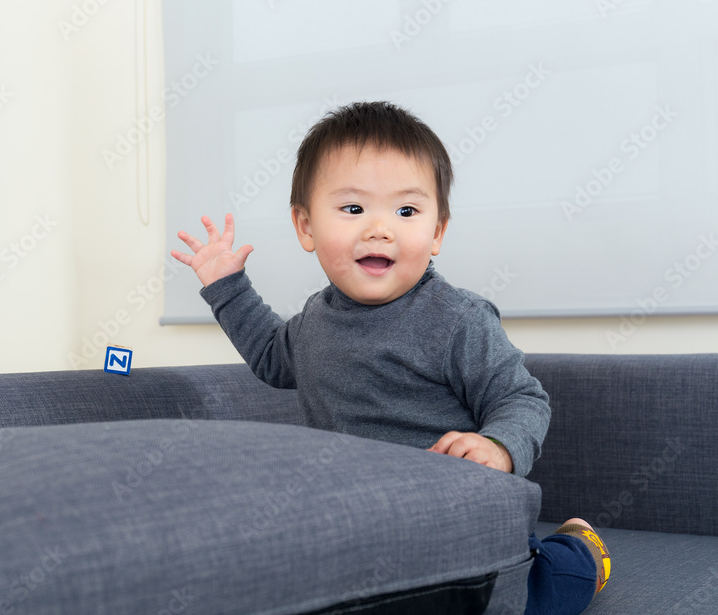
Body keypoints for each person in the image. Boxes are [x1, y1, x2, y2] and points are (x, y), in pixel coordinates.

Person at [171, 101, 610, 615]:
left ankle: (578, 550)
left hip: (459, 524)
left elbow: (522, 397)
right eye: (353, 209)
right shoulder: (315, 319)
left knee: (529, 601)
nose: (380, 229)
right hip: (356, 526)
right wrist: (228, 288)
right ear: (306, 226)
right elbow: (271, 357)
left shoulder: (456, 319)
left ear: (437, 232)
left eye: (406, 211)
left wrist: (497, 447)